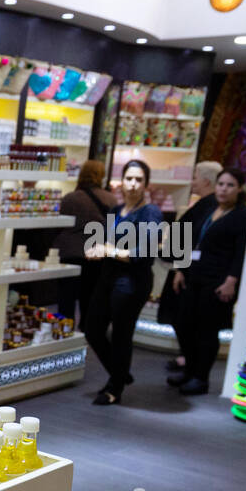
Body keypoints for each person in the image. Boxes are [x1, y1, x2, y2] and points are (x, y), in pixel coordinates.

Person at [83, 159, 165, 406]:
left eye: (139, 179)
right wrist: (97, 251)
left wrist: (108, 249)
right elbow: (102, 245)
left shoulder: (150, 213)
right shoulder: (115, 211)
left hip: (132, 282)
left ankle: (114, 387)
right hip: (108, 278)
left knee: (121, 334)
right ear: (121, 181)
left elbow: (142, 253)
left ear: (146, 184)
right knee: (93, 330)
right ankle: (121, 373)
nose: (132, 184)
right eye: (129, 178)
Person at [168, 168, 246, 395]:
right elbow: (188, 236)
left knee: (206, 330)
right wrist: (180, 269)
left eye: (230, 185)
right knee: (184, 323)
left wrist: (232, 281)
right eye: (221, 184)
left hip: (217, 281)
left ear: (240, 189)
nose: (223, 189)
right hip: (194, 275)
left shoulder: (242, 217)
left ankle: (200, 378)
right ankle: (190, 369)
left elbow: (241, 252)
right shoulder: (208, 209)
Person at [160, 160, 225, 372]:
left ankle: (191, 361)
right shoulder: (206, 206)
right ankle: (190, 360)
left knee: (185, 319)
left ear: (206, 181)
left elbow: (190, 238)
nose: (192, 181)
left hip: (190, 272)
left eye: (195, 177)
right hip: (187, 269)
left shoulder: (208, 208)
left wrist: (180, 265)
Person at [49, 160, 116, 324]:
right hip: (94, 252)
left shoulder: (70, 198)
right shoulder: (110, 199)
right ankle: (86, 329)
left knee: (66, 296)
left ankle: (64, 329)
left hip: (68, 251)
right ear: (101, 176)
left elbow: (58, 224)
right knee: (89, 295)